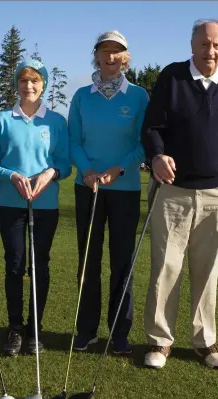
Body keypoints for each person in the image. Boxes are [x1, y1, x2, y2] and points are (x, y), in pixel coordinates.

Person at [141, 19, 218, 369]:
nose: (210, 51)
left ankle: (205, 342)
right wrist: (157, 156)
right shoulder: (172, 78)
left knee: (208, 270)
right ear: (193, 44)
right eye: (204, 44)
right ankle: (160, 342)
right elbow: (152, 128)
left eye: (217, 45)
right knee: (166, 269)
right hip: (173, 192)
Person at [0, 59, 71, 356]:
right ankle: (15, 328)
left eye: (35, 81)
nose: (29, 86)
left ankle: (35, 329)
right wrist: (12, 175)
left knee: (39, 265)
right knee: (15, 264)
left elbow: (64, 163)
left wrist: (50, 173)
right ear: (16, 84)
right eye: (23, 80)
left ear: (43, 84)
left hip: (45, 206)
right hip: (10, 204)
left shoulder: (56, 122)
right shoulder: (4, 120)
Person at [68, 30, 149, 354]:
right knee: (89, 260)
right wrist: (87, 170)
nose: (111, 57)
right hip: (87, 187)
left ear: (124, 57)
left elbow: (144, 143)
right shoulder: (81, 96)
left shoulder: (139, 96)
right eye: (105, 51)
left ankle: (118, 334)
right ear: (97, 55)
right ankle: (86, 331)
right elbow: (74, 140)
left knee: (122, 262)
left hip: (124, 187)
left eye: (117, 52)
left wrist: (118, 169)